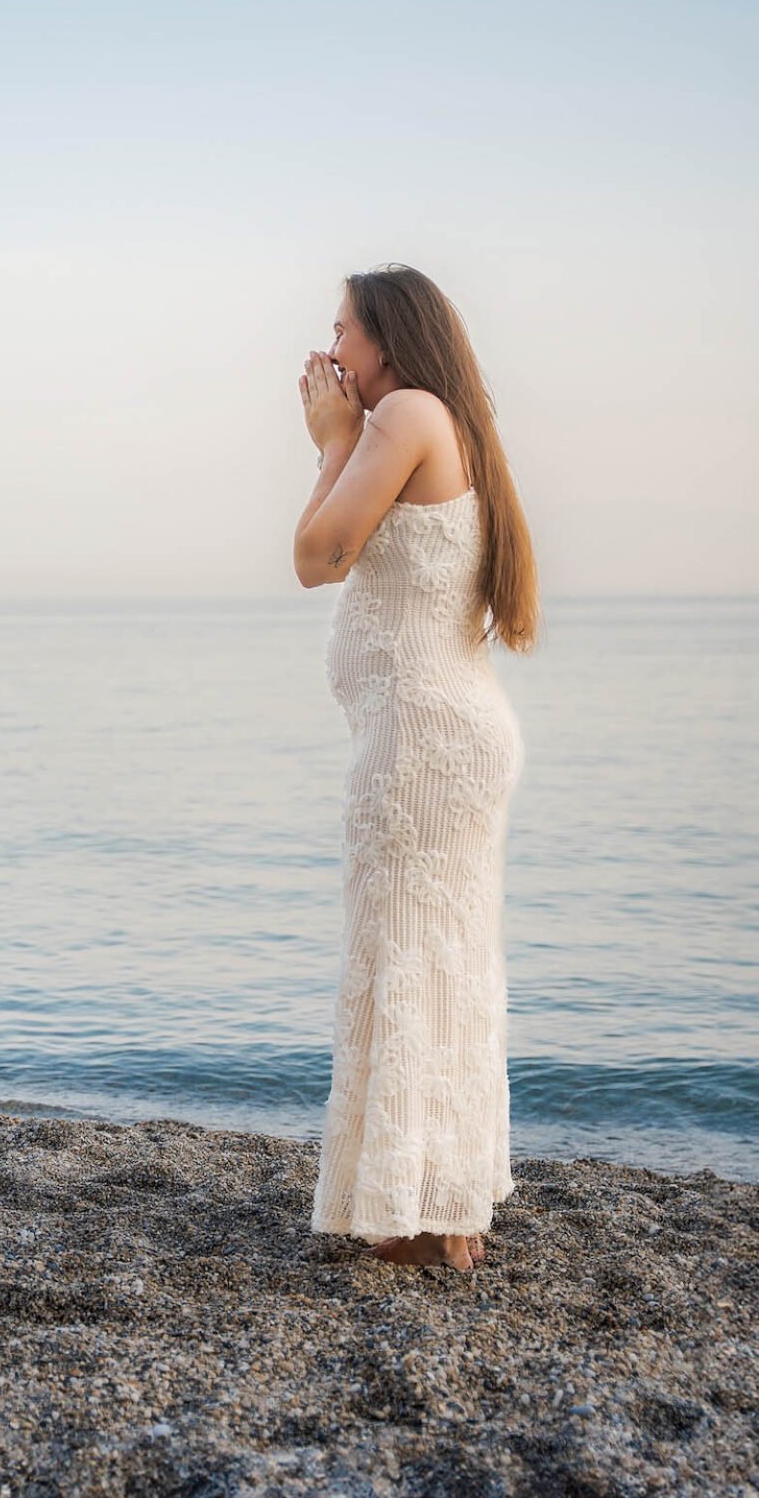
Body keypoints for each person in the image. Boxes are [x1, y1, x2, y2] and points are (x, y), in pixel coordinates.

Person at [294, 265, 538, 1270]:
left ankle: (408, 1220)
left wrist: (330, 441)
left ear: (386, 340)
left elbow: (319, 556)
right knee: (440, 965)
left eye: (342, 332)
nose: (329, 353)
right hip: (445, 732)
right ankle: (441, 1212)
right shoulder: (445, 420)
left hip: (419, 742)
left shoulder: (398, 417)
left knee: (403, 959)